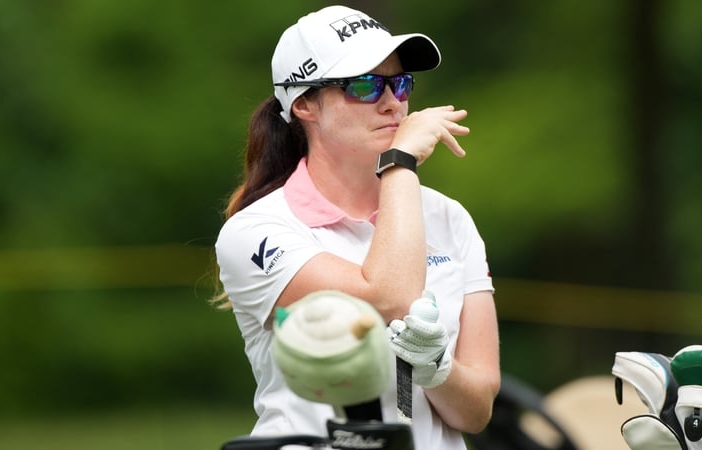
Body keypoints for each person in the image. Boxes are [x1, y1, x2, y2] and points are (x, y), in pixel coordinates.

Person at [214, 5, 500, 449]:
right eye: (364, 85)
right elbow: (391, 297)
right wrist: (400, 161)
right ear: (304, 103)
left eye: (400, 82)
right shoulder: (256, 230)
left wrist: (437, 370)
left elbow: (478, 409)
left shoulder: (450, 217)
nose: (392, 102)